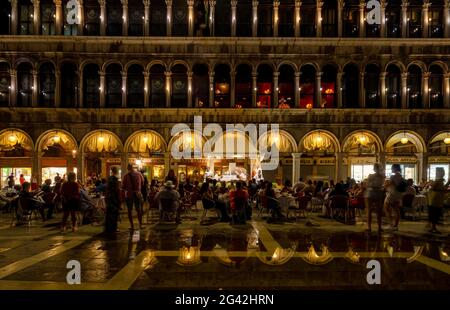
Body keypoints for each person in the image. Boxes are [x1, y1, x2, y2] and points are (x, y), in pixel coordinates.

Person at [384, 164, 407, 231]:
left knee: (386, 208)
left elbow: (388, 184)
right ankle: (395, 225)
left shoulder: (393, 176)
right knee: (396, 210)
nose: (391, 169)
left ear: (395, 169)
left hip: (392, 195)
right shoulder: (402, 177)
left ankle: (391, 224)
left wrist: (384, 186)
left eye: (392, 168)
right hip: (398, 195)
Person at [122, 164, 144, 230]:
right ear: (133, 168)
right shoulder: (139, 174)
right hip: (137, 194)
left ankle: (132, 226)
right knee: (138, 209)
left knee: (129, 210)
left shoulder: (126, 176)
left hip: (129, 195)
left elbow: (123, 187)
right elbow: (143, 183)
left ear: (127, 168)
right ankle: (140, 225)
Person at [365, 163, 386, 233]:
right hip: (378, 192)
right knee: (378, 211)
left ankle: (369, 227)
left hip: (370, 192)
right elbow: (383, 184)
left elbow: (367, 184)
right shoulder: (382, 176)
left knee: (369, 210)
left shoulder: (370, 176)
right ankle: (379, 227)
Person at [427, 167, 447, 234]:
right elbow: (433, 188)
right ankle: (433, 228)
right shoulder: (438, 180)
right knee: (435, 213)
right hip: (435, 200)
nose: (444, 173)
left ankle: (433, 228)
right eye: (443, 171)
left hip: (436, 199)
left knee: (435, 213)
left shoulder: (439, 180)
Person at [104, 167, 121, 233]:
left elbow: (107, 189)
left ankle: (108, 228)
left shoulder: (109, 179)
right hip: (114, 199)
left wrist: (106, 197)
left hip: (109, 198)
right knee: (114, 214)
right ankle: (114, 228)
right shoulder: (115, 179)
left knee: (109, 214)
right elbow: (117, 190)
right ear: (116, 171)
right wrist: (119, 199)